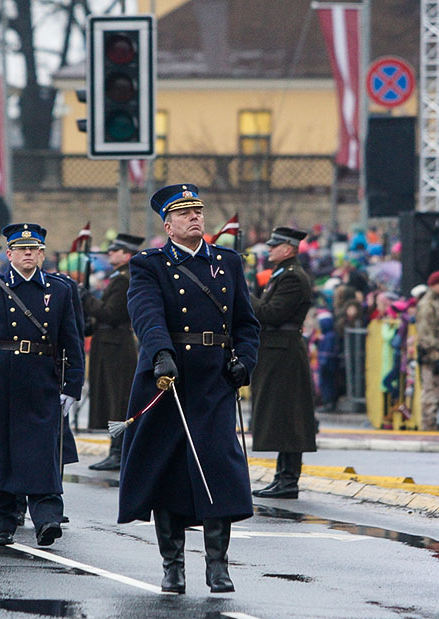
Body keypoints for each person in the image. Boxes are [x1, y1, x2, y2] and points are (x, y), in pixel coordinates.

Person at [119, 183, 260, 594]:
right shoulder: (149, 264)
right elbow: (146, 312)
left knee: (217, 466)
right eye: (184, 213)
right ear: (168, 224)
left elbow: (246, 323)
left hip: (214, 380)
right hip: (170, 378)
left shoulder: (227, 262)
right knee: (169, 472)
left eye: (197, 211)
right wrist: (160, 352)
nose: (194, 217)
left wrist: (245, 361)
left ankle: (218, 566)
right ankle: (173, 565)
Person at [0, 223, 85, 546]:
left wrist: (73, 384)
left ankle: (47, 518)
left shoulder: (59, 289)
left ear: (42, 253)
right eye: (22, 249)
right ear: (10, 253)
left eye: (35, 249)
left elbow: (71, 340)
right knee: (1, 452)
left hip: (42, 379)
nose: (29, 253)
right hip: (1, 378)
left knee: (43, 452)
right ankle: (2, 521)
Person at [250, 227, 316, 499]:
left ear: (288, 249)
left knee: (289, 418)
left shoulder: (292, 278)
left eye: (274, 245)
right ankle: (282, 476)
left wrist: (244, 295)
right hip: (278, 351)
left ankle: (289, 480)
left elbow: (272, 313)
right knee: (282, 417)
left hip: (285, 353)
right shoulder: (282, 275)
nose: (269, 249)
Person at [83, 232, 143, 471]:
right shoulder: (118, 276)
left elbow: (112, 313)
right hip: (108, 342)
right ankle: (116, 450)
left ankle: (118, 452)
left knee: (118, 398)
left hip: (116, 344)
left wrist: (87, 298)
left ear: (127, 254)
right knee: (111, 397)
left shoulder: (126, 279)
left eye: (115, 250)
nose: (110, 254)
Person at [415, 271, 439, 430]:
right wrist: (435, 355)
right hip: (431, 355)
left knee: (438, 392)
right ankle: (428, 425)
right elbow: (425, 333)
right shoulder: (427, 304)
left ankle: (432, 424)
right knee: (430, 393)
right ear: (433, 285)